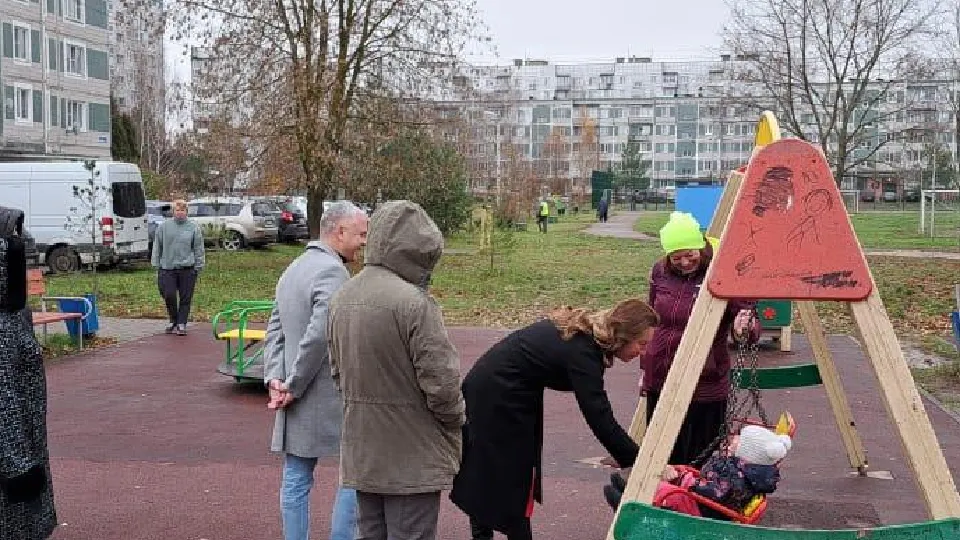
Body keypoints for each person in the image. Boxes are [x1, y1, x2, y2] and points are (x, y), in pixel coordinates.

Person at [449, 298, 660, 540]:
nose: (643, 352)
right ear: (622, 336)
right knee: (511, 476)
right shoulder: (583, 351)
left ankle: (483, 535)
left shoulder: (587, 339)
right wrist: (637, 462)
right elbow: (599, 417)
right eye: (641, 344)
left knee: (492, 470)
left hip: (501, 390)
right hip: (496, 395)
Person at [328, 200, 465, 540]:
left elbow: (337, 372)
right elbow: (442, 384)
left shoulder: (342, 296)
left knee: (370, 532)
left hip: (363, 449)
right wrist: (456, 420)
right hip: (412, 454)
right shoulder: (415, 304)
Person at [263, 201, 369, 540]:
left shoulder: (294, 267)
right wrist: (292, 385)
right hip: (325, 393)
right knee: (354, 472)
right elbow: (321, 334)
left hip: (294, 393)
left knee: (296, 477)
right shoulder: (333, 273)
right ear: (340, 231)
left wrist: (275, 379)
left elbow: (275, 328)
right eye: (361, 234)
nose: (364, 241)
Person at [638, 212, 760, 467]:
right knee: (662, 451)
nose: (684, 262)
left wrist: (744, 327)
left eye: (689, 254)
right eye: (676, 257)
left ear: (700, 246)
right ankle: (662, 490)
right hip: (661, 374)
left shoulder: (721, 271)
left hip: (704, 380)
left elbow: (748, 321)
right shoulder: (660, 271)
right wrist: (645, 368)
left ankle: (698, 492)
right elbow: (651, 321)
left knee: (701, 456)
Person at [0, 206, 57, 540]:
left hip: (25, 444)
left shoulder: (14, 316)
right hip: (13, 464)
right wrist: (19, 466)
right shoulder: (4, 328)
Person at [604, 425, 792, 519]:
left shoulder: (739, 476)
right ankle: (630, 493)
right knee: (666, 486)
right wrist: (688, 476)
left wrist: (686, 479)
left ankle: (629, 508)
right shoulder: (741, 469)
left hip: (704, 510)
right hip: (705, 503)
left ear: (748, 452)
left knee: (668, 492)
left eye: (739, 440)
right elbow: (711, 479)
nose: (734, 439)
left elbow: (714, 493)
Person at [151, 199, 205, 335]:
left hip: (187, 268)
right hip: (167, 267)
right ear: (173, 212)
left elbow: (198, 248)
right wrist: (155, 263)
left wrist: (199, 265)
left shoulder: (193, 227)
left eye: (183, 210)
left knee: (185, 297)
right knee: (168, 294)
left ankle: (181, 323)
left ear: (186, 212)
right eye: (177, 210)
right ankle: (173, 319)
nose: (180, 212)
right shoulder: (164, 227)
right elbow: (157, 246)